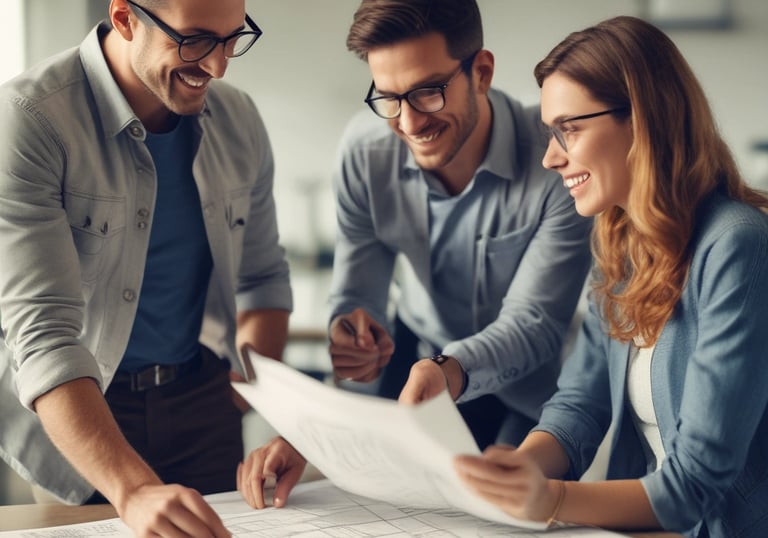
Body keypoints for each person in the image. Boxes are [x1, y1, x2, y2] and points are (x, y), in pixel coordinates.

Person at [235, 0, 592, 510]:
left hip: (523, 392)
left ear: (481, 72)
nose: (408, 122)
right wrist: (353, 336)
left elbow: (534, 325)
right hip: (415, 369)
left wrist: (447, 370)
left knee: (506, 515)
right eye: (388, 97)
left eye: (428, 91)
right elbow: (359, 294)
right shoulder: (366, 151)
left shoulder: (555, 157)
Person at [452, 16, 768, 537]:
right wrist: (522, 467)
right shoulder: (620, 246)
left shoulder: (738, 245)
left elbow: (697, 484)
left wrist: (550, 497)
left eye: (568, 130)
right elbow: (580, 402)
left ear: (643, 121)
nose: (552, 157)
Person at [0, 0, 291, 535]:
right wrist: (132, 489)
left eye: (232, 38)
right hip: (84, 414)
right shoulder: (28, 117)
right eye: (196, 39)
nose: (220, 66)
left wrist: (241, 394)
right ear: (124, 18)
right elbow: (43, 338)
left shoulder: (240, 119)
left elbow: (264, 278)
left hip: (204, 405)